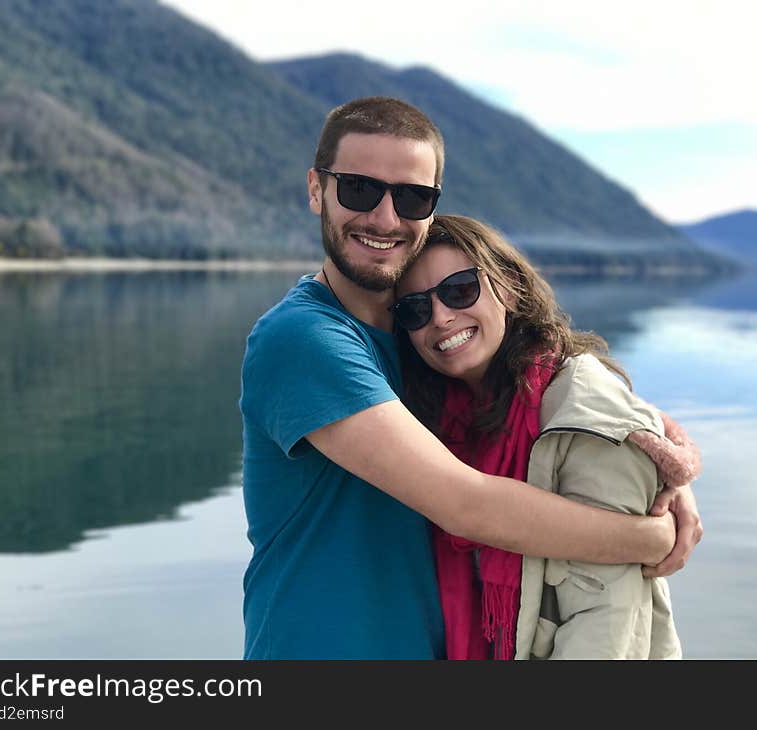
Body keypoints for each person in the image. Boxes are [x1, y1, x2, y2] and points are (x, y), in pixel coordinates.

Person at [239, 96, 703, 659]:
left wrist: (658, 473)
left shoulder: (417, 343)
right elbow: (467, 505)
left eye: (412, 196)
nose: (385, 217)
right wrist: (648, 536)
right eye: (359, 189)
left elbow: (555, 405)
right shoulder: (304, 340)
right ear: (316, 189)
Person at [393, 214, 702, 659]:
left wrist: (658, 530)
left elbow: (605, 626)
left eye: (460, 290)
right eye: (415, 309)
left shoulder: (589, 418)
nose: (440, 317)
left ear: (509, 285)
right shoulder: (442, 421)